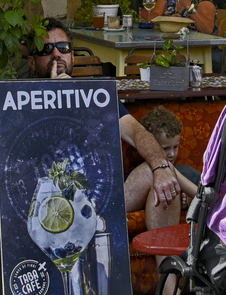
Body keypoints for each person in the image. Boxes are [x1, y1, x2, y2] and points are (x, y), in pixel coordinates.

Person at [19, 19, 183, 228]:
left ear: (72, 57)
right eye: (46, 49)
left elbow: (136, 132)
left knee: (160, 172)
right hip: (48, 201)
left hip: (100, 196)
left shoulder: (95, 97)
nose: (56, 55)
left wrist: (161, 167)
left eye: (63, 48)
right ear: (32, 61)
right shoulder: (20, 99)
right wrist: (56, 95)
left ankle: (166, 262)